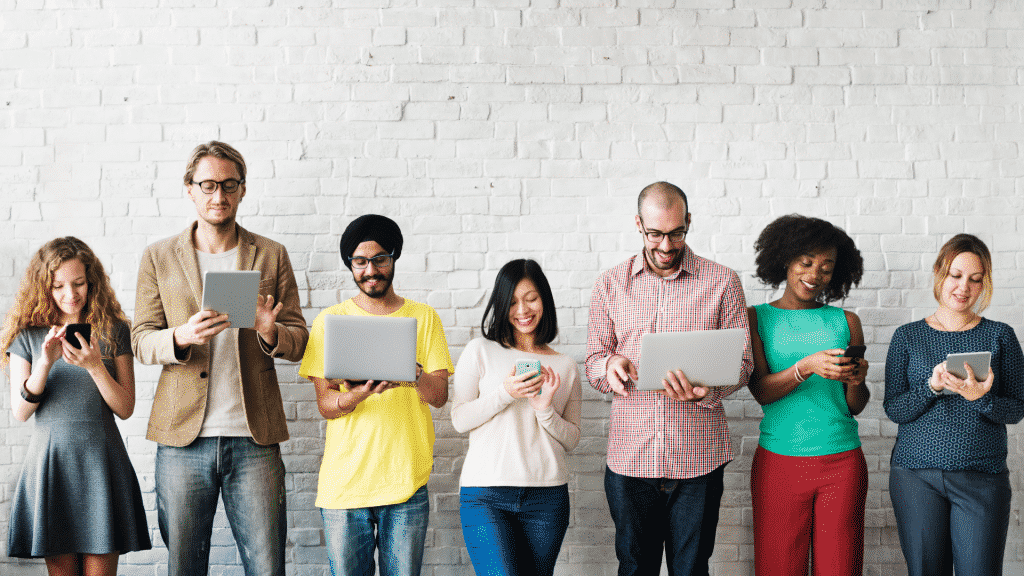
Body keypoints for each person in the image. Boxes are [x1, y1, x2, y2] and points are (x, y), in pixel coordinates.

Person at [131, 141, 308, 576]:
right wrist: (181, 336)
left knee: (267, 566)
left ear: (243, 190)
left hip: (255, 438)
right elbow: (140, 340)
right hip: (181, 440)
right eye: (207, 185)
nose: (219, 195)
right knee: (185, 567)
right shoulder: (159, 255)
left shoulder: (271, 254)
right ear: (189, 189)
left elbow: (300, 340)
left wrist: (269, 331)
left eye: (229, 185)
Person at [585, 182, 753, 576]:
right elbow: (592, 361)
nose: (666, 245)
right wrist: (608, 366)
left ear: (689, 223)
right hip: (631, 459)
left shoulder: (723, 282)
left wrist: (707, 393)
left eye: (676, 233)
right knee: (635, 568)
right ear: (639, 226)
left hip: (699, 459)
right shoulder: (610, 284)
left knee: (692, 570)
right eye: (655, 234)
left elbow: (744, 362)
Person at [299, 214, 454, 576]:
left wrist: (411, 373)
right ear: (351, 266)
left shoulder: (423, 317)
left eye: (380, 259)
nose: (371, 270)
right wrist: (354, 397)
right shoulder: (329, 321)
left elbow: (440, 395)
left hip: (405, 483)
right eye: (361, 262)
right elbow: (326, 404)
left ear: (393, 259)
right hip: (345, 485)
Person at [4, 237, 150, 575]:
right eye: (59, 286)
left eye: (79, 283)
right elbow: (21, 411)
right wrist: (45, 362)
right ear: (44, 287)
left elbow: (125, 407)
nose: (71, 294)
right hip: (51, 467)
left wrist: (95, 365)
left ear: (92, 282)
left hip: (102, 465)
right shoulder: (26, 336)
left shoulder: (114, 331)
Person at [884, 233, 1024, 576]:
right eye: (956, 276)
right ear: (939, 273)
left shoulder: (1000, 335)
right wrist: (931, 387)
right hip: (915, 476)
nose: (964, 288)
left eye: (976, 280)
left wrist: (981, 399)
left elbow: (1017, 409)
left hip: (982, 478)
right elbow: (895, 409)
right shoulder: (907, 336)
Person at [746, 215, 870, 576]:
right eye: (807, 262)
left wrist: (858, 381)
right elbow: (761, 391)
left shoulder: (847, 322)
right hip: (779, 464)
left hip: (842, 463)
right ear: (785, 260)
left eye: (827, 267)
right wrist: (807, 366)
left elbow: (853, 406)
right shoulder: (757, 318)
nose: (815, 274)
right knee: (778, 568)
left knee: (840, 569)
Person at [451, 259, 582, 576]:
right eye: (511, 302)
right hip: (485, 496)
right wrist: (506, 393)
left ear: (544, 300)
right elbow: (459, 419)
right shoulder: (480, 350)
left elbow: (572, 439)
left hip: (547, 497)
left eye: (531, 298)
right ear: (500, 305)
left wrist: (545, 410)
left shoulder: (565, 365)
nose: (522, 310)